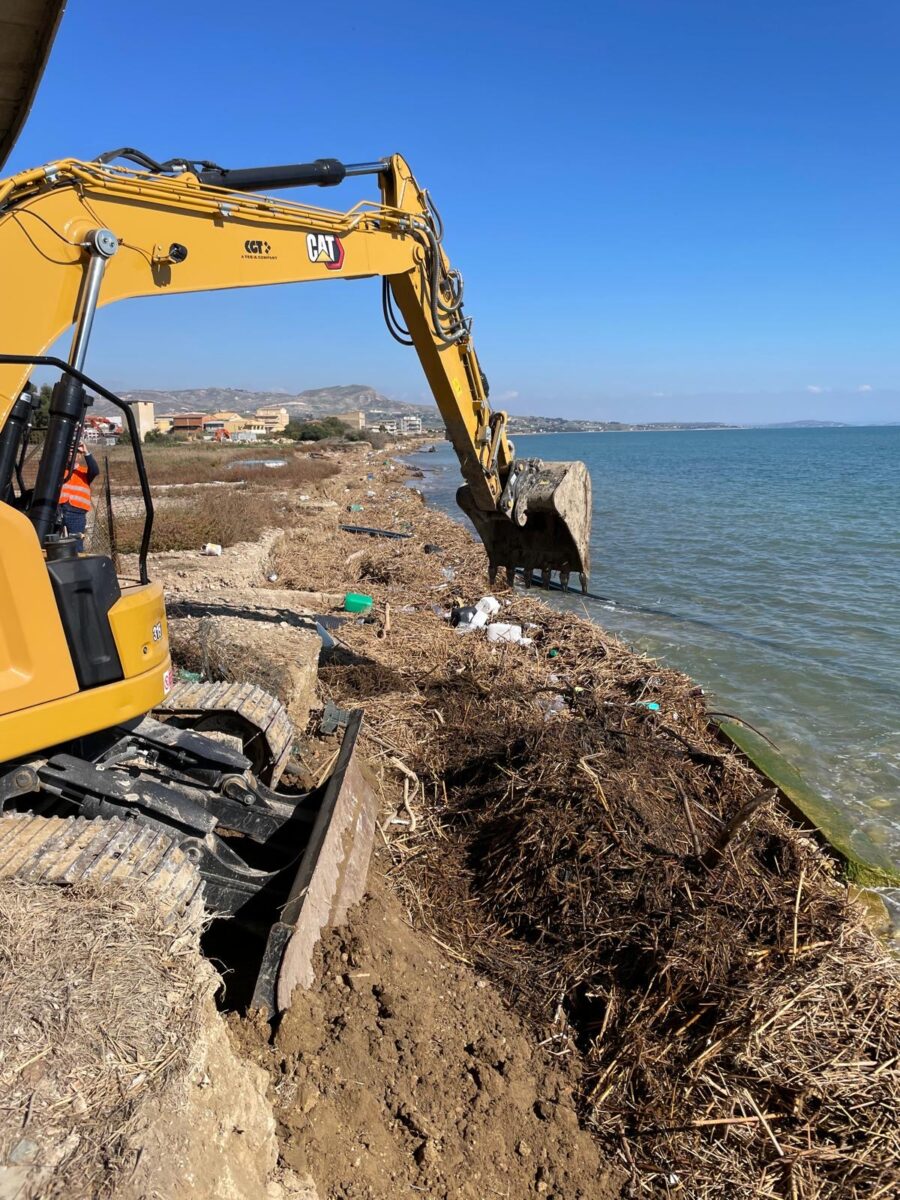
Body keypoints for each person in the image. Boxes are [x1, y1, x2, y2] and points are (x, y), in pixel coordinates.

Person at [58, 440, 99, 549]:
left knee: (76, 544)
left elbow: (95, 470)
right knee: (54, 541)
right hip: (58, 510)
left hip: (76, 513)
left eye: (76, 452)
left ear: (80, 456)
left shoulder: (85, 472)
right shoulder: (59, 470)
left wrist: (86, 451)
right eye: (70, 451)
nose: (72, 454)